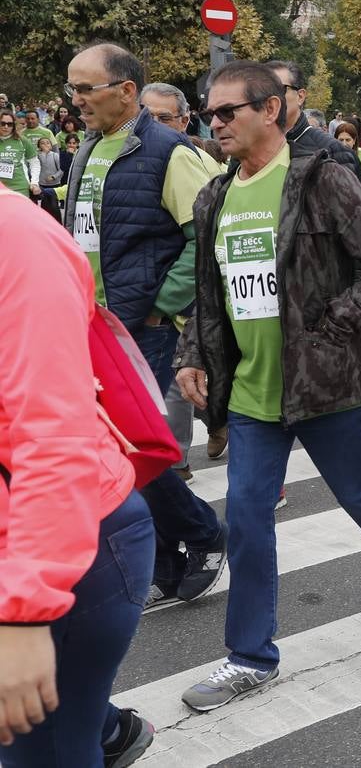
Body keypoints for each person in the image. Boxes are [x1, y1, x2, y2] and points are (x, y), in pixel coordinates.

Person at [173, 60, 361, 712]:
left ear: (270, 110)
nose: (217, 123)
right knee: (249, 518)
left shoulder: (324, 180)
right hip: (254, 393)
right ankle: (251, 657)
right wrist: (191, 353)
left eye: (228, 111)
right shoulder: (215, 196)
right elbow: (211, 296)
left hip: (325, 384)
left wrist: (334, 328)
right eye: (210, 113)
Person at [63, 42, 227, 612]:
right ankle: (165, 554)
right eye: (73, 89)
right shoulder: (87, 149)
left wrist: (162, 302)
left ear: (126, 90)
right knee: (110, 451)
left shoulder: (170, 151)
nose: (77, 100)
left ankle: (204, 534)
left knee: (135, 448)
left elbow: (206, 235)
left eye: (87, 88)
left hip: (145, 328)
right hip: (93, 326)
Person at [0, 186, 158, 768]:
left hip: (66, 550)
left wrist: (22, 615)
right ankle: (105, 727)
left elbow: (52, 435)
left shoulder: (15, 239)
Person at [140, 83, 234, 482]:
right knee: (184, 380)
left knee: (181, 382)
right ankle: (213, 422)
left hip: (195, 298)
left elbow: (204, 238)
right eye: (147, 117)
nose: (155, 125)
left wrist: (163, 301)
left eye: (164, 117)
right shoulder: (138, 157)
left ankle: (180, 461)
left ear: (183, 120)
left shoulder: (183, 160)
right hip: (169, 303)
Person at [264, 61, 361, 182]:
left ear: (300, 96)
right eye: (263, 91)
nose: (269, 98)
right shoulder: (250, 148)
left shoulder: (333, 151)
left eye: (278, 89)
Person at [0, 110, 39, 199]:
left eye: (9, 124)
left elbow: (34, 162)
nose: (6, 127)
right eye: (2, 123)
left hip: (19, 189)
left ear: (14, 126)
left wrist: (34, 182)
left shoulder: (22, 140)